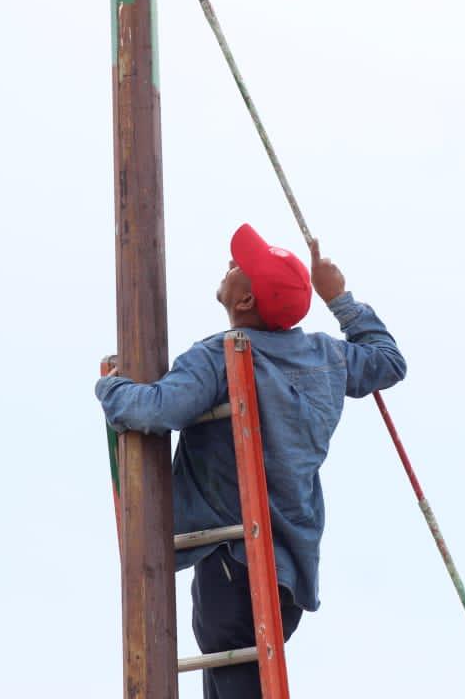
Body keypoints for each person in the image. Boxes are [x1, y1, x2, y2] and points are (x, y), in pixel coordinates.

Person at [95, 223, 407, 699]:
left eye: (239, 266)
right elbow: (387, 361)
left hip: (232, 560)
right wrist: (338, 298)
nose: (229, 265)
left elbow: (157, 411)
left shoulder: (219, 358)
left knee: (233, 678)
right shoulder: (325, 355)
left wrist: (111, 386)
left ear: (244, 303)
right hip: (286, 571)